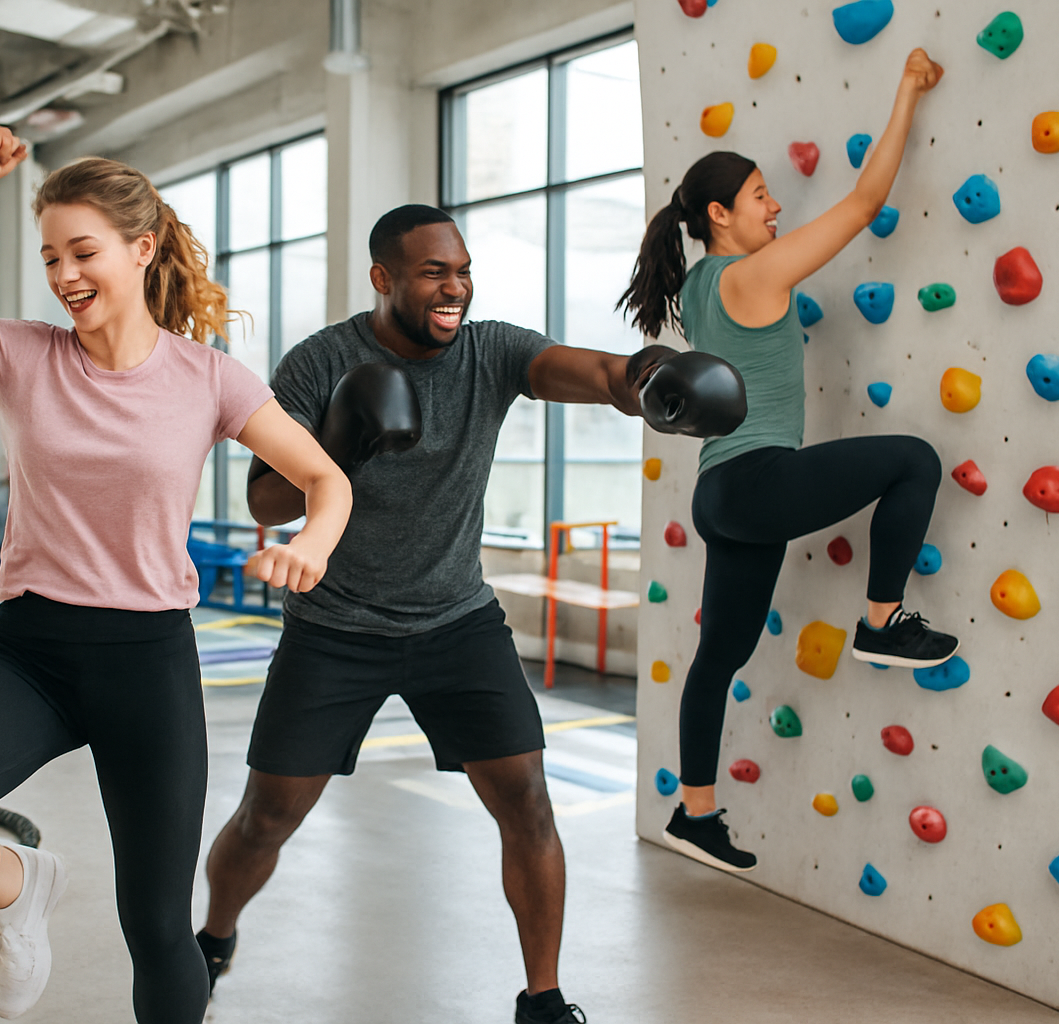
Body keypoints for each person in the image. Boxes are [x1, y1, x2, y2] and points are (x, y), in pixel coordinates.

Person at [0, 123, 351, 1023]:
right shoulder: (21, 355)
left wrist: (311, 543)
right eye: (51, 258)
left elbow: (325, 479)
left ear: (142, 248)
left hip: (148, 661)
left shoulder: (210, 379)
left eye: (84, 252)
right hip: (30, 653)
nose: (66, 275)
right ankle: (17, 884)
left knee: (156, 925)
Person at [194, 203, 740, 1024]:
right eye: (432, 273)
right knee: (269, 814)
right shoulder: (319, 362)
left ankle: (544, 999)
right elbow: (268, 503)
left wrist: (651, 376)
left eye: (463, 270)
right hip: (335, 628)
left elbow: (591, 373)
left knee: (527, 800)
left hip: (458, 620)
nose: (455, 289)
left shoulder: (491, 352)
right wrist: (342, 436)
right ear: (383, 279)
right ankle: (213, 935)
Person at [618, 48, 958, 875]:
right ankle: (882, 621)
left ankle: (694, 814)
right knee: (914, 458)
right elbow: (868, 200)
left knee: (718, 658)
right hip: (759, 479)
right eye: (761, 196)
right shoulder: (754, 274)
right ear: (719, 214)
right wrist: (908, 89)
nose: (774, 208)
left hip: (721, 493)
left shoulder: (698, 286)